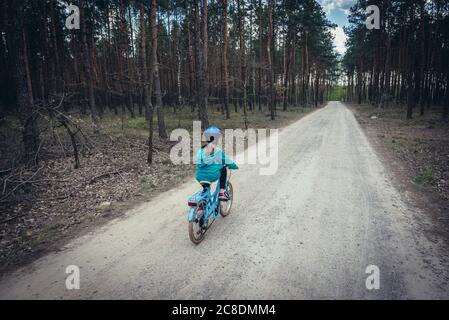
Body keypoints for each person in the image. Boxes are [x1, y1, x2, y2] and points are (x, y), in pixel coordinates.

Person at [195, 126, 238, 201]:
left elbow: (199, 163)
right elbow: (227, 161)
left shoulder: (200, 151)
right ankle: (222, 191)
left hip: (199, 176)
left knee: (206, 188)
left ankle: (201, 206)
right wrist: (234, 166)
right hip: (212, 175)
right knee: (223, 168)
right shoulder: (217, 151)